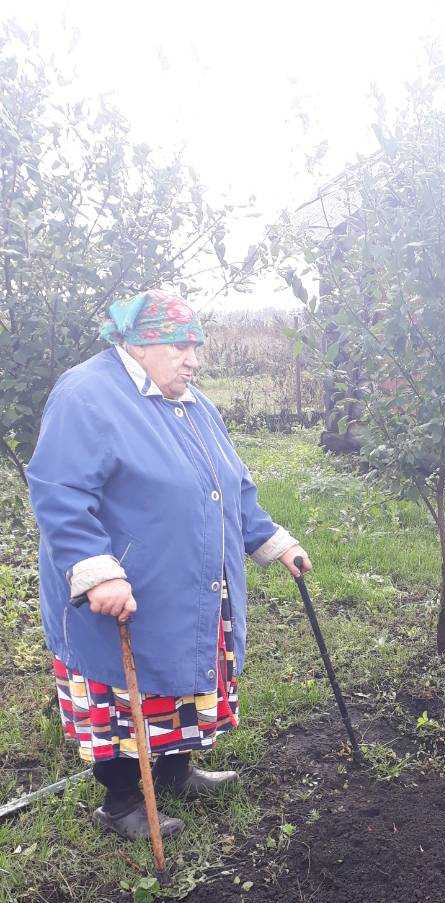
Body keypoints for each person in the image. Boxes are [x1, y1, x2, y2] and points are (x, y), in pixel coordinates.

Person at [26, 289, 313, 838]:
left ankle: (176, 772)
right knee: (122, 693)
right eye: (182, 347)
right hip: (131, 588)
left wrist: (271, 539)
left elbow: (229, 483)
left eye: (196, 347)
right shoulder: (87, 395)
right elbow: (58, 489)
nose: (194, 360)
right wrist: (96, 568)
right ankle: (120, 804)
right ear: (139, 344)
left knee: (184, 677)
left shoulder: (193, 403)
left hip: (193, 580)